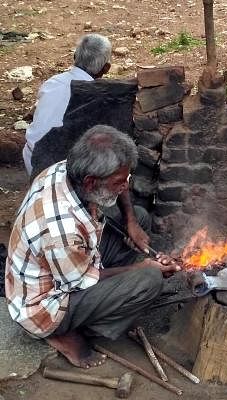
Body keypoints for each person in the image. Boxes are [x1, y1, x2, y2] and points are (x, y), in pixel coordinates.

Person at [5, 125, 181, 369]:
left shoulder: (69, 169)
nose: (124, 186)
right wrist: (144, 267)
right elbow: (84, 280)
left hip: (71, 260)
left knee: (139, 216)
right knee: (149, 279)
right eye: (119, 182)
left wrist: (130, 222)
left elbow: (121, 182)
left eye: (126, 179)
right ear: (90, 182)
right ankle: (69, 332)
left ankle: (112, 294)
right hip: (44, 305)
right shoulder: (60, 228)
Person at [23, 33, 112, 176]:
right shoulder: (96, 96)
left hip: (31, 156)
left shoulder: (53, 81)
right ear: (106, 68)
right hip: (57, 166)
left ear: (75, 57)